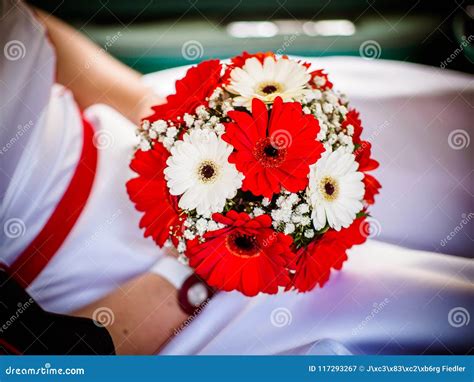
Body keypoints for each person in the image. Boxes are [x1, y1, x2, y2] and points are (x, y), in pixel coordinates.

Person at [1, 0, 472, 355]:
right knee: (403, 300)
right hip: (120, 297)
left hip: (146, 133)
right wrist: (193, 273)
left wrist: (173, 118)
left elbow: (30, 28)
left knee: (425, 134)